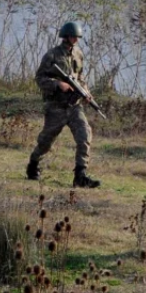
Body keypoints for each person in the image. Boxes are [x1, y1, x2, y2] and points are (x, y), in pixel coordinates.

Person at [26, 22, 100, 188]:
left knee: (85, 136)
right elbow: (39, 79)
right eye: (73, 36)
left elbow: (80, 78)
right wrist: (57, 84)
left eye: (77, 37)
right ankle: (33, 164)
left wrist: (86, 92)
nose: (75, 40)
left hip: (74, 105)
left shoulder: (79, 55)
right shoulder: (51, 55)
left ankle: (80, 176)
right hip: (56, 106)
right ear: (65, 37)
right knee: (46, 141)